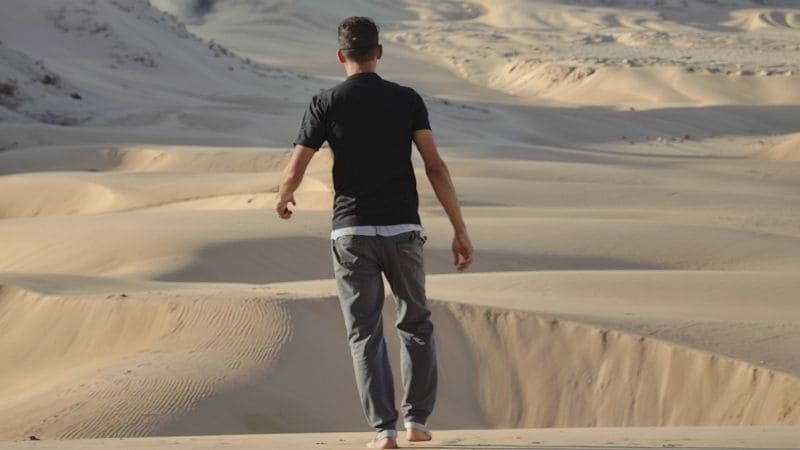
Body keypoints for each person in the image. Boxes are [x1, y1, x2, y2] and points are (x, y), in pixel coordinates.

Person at [275, 16, 474, 450]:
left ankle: (384, 431)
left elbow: (295, 167)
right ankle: (417, 422)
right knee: (416, 322)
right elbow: (435, 166)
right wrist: (459, 228)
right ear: (379, 53)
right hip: (403, 229)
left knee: (364, 331)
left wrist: (284, 197)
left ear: (340, 55)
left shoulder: (324, 102)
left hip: (351, 231)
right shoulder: (406, 100)